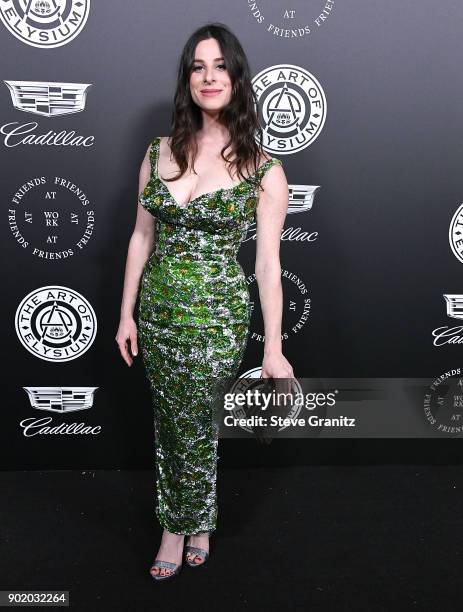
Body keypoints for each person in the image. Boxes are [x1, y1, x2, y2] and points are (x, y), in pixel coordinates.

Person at [116, 22, 293, 581]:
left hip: (218, 316)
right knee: (173, 419)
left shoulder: (264, 168)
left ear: (238, 78)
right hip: (160, 312)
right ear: (187, 79)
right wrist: (126, 313)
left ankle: (177, 525)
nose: (209, 77)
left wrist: (274, 348)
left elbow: (267, 265)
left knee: (194, 416)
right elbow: (141, 237)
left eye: (220, 66)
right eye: (198, 66)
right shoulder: (158, 151)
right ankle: (198, 521)